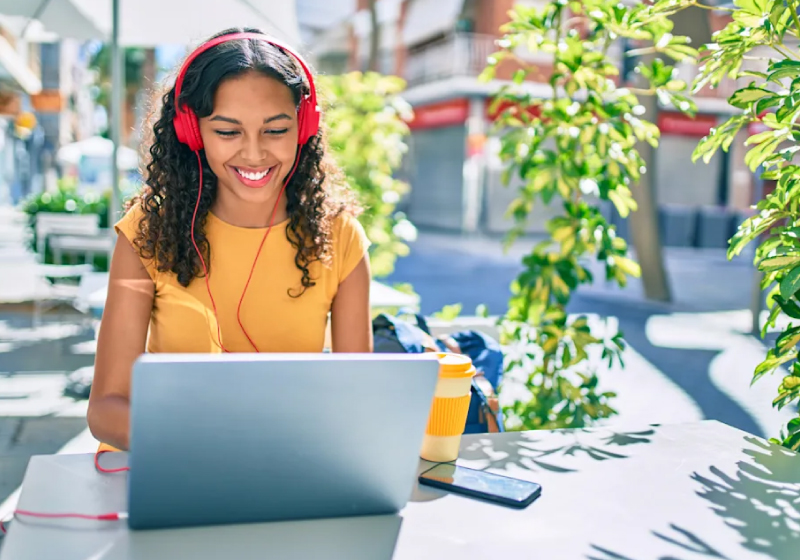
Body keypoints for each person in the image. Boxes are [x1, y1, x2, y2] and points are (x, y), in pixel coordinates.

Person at [87, 29, 373, 452]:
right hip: (163, 463)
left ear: (303, 127)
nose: (254, 154)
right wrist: (217, 443)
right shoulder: (147, 232)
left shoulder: (339, 236)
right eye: (228, 132)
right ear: (192, 130)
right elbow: (107, 408)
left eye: (275, 130)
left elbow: (358, 398)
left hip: (281, 463)